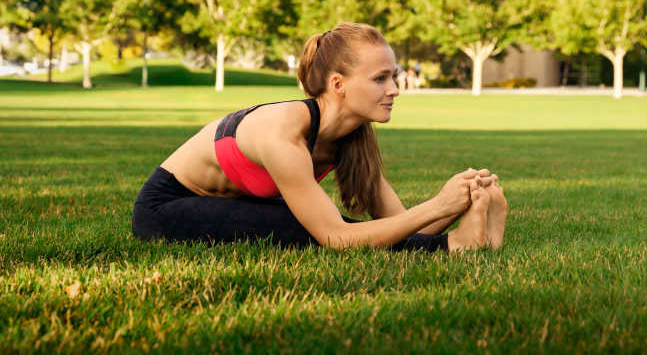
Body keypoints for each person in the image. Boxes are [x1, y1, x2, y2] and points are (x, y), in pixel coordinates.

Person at [132, 23, 507, 252]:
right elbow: (336, 239)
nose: (394, 89)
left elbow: (403, 225)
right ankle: (455, 248)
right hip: (166, 210)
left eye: (394, 76)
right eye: (380, 79)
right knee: (302, 227)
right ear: (338, 85)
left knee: (320, 224)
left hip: (232, 208)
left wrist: (461, 201)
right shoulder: (283, 131)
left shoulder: (354, 137)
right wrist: (439, 206)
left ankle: (470, 242)